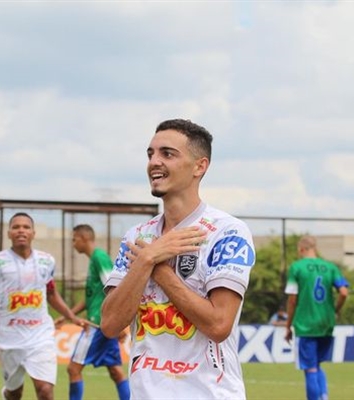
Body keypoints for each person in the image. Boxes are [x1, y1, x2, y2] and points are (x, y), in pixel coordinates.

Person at [101, 118, 256, 399]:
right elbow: (111, 324)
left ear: (200, 166)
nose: (154, 162)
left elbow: (219, 325)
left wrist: (158, 269)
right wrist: (147, 258)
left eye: (167, 154)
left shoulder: (227, 231)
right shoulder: (137, 237)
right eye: (151, 154)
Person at [0, 212, 86, 400]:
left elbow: (51, 293)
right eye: (16, 227)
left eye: (26, 227)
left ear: (33, 233)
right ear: (8, 233)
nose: (21, 231)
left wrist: (71, 316)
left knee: (45, 390)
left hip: (40, 336)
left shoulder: (46, 261)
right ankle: (7, 393)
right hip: (8, 338)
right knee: (14, 393)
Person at [57, 224, 130, 400]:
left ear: (84, 238)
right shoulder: (94, 260)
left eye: (74, 239)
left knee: (73, 369)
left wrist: (119, 322)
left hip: (97, 324)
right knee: (115, 371)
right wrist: (67, 315)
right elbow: (91, 298)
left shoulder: (99, 258)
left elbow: (115, 290)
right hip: (102, 324)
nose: (73, 243)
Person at [284, 235, 349, 400]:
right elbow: (343, 292)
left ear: (301, 249)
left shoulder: (297, 267)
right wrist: (335, 310)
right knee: (317, 365)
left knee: (310, 369)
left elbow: (292, 299)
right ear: (315, 248)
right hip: (326, 324)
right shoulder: (330, 267)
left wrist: (288, 325)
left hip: (306, 325)